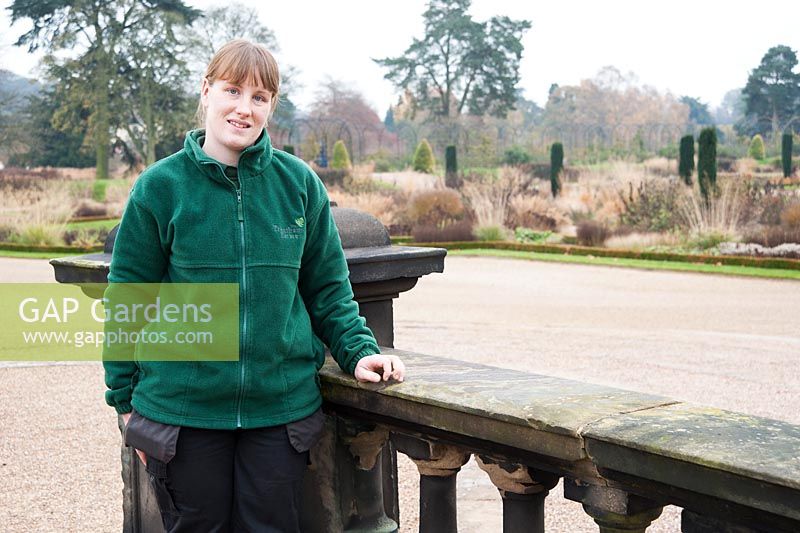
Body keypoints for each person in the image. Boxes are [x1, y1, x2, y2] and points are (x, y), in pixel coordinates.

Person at [102, 39, 405, 532]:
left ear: (271, 106)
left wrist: (358, 351)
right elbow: (128, 300)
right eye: (233, 90)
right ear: (207, 91)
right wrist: (127, 406)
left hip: (278, 412)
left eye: (260, 96)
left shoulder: (298, 185)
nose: (244, 107)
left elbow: (328, 288)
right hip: (183, 412)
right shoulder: (159, 187)